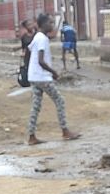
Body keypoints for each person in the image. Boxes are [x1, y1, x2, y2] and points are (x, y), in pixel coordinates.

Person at [26, 12, 79, 146]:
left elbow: (30, 51)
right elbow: (41, 61)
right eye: (50, 23)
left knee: (36, 106)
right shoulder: (42, 38)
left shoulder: (37, 37)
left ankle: (31, 136)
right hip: (42, 77)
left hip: (33, 76)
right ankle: (65, 131)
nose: (52, 25)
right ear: (43, 24)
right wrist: (53, 72)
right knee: (60, 101)